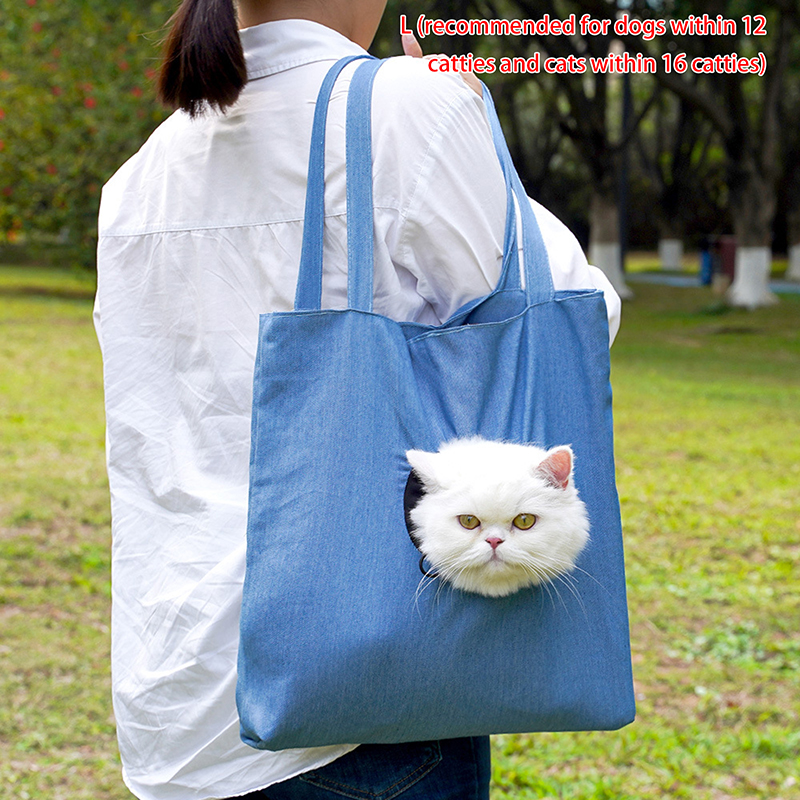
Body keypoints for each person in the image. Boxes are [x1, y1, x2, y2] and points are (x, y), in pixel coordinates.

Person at [94, 1, 621, 798]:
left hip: (178, 707)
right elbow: (577, 322)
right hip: (364, 706)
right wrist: (475, 128)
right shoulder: (411, 106)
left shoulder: (142, 173)